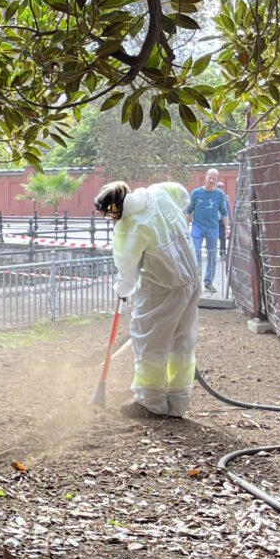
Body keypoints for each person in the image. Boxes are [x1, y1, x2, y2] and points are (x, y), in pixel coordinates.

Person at [94, 179, 200, 418]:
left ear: (116, 208)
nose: (110, 217)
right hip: (191, 279)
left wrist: (122, 289)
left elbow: (127, 268)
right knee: (182, 342)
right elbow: (183, 195)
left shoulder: (129, 225)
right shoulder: (160, 193)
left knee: (150, 342)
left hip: (162, 285)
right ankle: (178, 401)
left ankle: (150, 402)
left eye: (109, 213)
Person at [186, 168, 230, 293]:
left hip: (212, 228)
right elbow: (189, 210)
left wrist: (227, 227)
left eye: (214, 178)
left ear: (217, 180)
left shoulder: (219, 194)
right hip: (197, 227)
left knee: (212, 255)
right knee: (196, 252)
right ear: (205, 177)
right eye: (209, 177)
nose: (211, 180)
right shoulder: (196, 193)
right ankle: (196, 279)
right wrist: (186, 227)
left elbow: (224, 212)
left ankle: (208, 282)